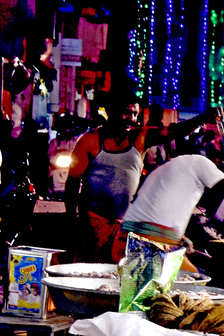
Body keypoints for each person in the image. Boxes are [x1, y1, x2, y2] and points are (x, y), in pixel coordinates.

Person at [64, 92, 215, 264]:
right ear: (111, 111)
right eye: (127, 112)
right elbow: (72, 184)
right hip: (93, 226)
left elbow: (173, 131)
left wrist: (203, 118)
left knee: (121, 275)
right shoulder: (89, 141)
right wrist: (72, 221)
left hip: (126, 226)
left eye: (135, 114)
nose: (132, 118)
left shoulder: (139, 137)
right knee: (90, 272)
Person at [121, 152, 224, 272]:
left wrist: (180, 238)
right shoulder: (201, 164)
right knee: (196, 282)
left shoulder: (169, 169)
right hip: (149, 243)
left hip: (126, 239)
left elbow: (161, 211)